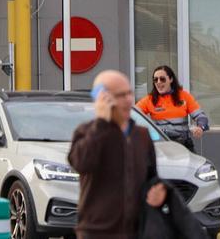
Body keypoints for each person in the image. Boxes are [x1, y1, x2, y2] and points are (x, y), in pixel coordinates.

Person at [68, 70, 166, 239]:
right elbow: (81, 163)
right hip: (97, 232)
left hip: (137, 233)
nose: (129, 100)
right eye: (121, 95)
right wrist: (101, 123)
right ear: (103, 99)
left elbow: (152, 179)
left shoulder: (141, 135)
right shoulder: (87, 132)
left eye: (130, 93)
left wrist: (160, 194)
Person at [136, 64, 209, 151]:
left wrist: (200, 128)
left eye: (162, 79)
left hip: (183, 145)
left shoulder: (184, 96)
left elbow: (201, 116)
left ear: (171, 79)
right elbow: (133, 115)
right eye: (155, 80)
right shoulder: (149, 99)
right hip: (160, 146)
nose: (158, 82)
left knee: (197, 164)